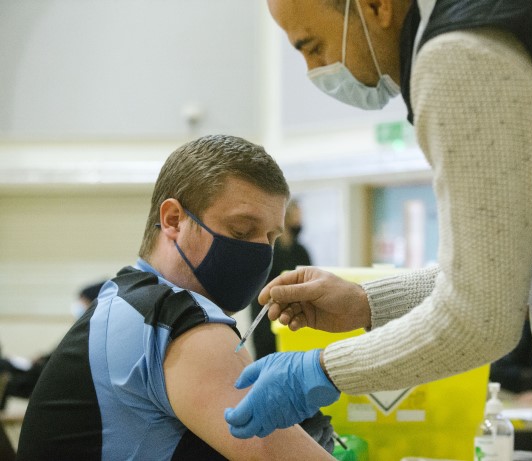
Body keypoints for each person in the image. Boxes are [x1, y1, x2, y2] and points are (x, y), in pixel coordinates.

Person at [225, 1, 532, 459]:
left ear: (376, 7)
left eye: (313, 45)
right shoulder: (492, 20)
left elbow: (480, 319)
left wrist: (320, 369)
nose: (314, 69)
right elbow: (508, 267)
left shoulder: (459, 54)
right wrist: (366, 302)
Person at [16, 135, 335, 460]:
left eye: (270, 237)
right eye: (241, 231)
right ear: (172, 220)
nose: (259, 251)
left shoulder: (125, 298)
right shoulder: (175, 321)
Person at [0, 280, 106, 408]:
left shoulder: (91, 331)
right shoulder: (82, 328)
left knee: (8, 372)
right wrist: (42, 358)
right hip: (46, 375)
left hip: (54, 380)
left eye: (82, 299)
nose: (78, 304)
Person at [250, 199, 313, 359]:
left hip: (291, 313)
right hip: (264, 313)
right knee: (266, 357)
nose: (299, 221)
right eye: (296, 216)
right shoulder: (269, 249)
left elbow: (309, 280)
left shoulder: (301, 251)